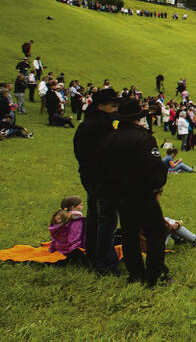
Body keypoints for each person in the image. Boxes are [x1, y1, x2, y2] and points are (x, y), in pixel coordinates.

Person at [97, 99, 168, 287]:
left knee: (129, 232)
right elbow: (155, 168)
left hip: (119, 193)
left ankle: (135, 273)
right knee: (156, 232)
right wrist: (157, 185)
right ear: (138, 119)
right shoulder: (143, 138)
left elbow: (103, 168)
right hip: (142, 192)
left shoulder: (109, 138)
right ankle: (153, 274)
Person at [71, 88, 122, 276]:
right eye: (113, 105)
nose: (116, 109)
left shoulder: (87, 124)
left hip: (89, 177)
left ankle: (92, 255)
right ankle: (106, 262)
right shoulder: (102, 127)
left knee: (94, 217)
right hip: (103, 179)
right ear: (101, 106)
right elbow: (109, 155)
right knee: (107, 220)